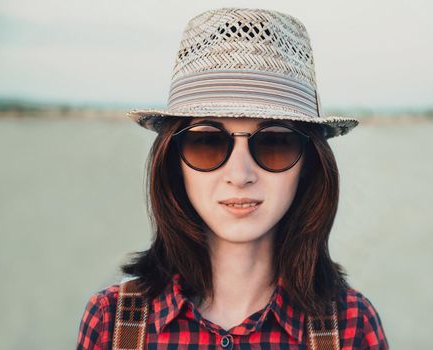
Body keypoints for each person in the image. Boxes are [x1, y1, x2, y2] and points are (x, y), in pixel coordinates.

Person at [76, 7, 389, 350]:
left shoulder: (350, 325)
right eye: (207, 142)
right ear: (172, 162)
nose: (240, 175)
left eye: (275, 143)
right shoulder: (113, 322)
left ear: (309, 165)